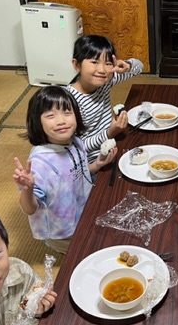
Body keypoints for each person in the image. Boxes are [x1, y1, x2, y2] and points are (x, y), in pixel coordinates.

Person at [13, 85, 117, 254]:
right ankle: (54, 245)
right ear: (37, 122)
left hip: (82, 214)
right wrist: (27, 189)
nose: (61, 121)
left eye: (67, 113)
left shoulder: (75, 142)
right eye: (50, 115)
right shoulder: (41, 163)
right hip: (62, 232)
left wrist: (96, 165)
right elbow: (30, 209)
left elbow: (74, 174)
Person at [65, 34, 143, 163]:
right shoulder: (68, 102)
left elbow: (139, 66)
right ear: (76, 64)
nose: (102, 70)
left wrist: (127, 65)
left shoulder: (104, 81)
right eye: (94, 62)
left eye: (107, 63)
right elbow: (75, 148)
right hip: (90, 163)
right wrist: (110, 132)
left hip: (112, 148)